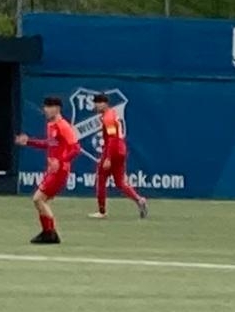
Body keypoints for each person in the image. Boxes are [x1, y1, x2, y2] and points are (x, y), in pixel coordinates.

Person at [14, 95, 79, 245]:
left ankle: (50, 233)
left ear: (57, 109)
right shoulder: (51, 125)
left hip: (60, 170)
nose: (45, 110)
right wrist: (28, 142)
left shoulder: (63, 126)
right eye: (45, 107)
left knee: (38, 199)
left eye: (48, 107)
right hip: (52, 170)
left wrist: (61, 161)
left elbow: (76, 148)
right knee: (41, 201)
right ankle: (48, 232)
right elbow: (49, 144)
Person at [88, 94, 149, 220]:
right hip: (121, 150)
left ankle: (102, 211)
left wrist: (108, 158)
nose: (95, 106)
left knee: (101, 178)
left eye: (97, 103)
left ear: (104, 103)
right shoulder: (112, 113)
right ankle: (139, 199)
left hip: (113, 150)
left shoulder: (108, 118)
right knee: (120, 182)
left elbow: (112, 139)